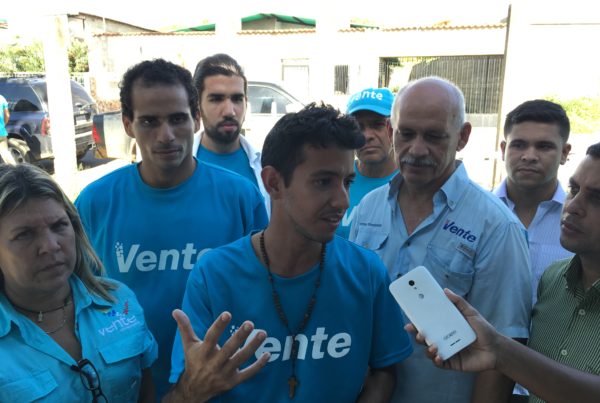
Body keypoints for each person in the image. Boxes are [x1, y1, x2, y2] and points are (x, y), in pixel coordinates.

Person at [166, 103, 414, 402]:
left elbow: (385, 371)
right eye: (323, 182)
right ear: (273, 183)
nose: (343, 201)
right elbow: (181, 392)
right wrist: (194, 389)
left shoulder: (366, 272)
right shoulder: (214, 275)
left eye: (347, 182)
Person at [75, 59, 269, 397]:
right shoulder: (95, 202)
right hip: (127, 388)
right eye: (149, 121)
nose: (166, 135)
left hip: (222, 387)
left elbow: (264, 291)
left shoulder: (240, 196)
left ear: (196, 120)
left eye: (177, 119)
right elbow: (74, 300)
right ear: (127, 124)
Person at [349, 76, 532, 402]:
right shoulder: (368, 208)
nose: (417, 149)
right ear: (391, 131)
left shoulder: (497, 227)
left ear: (463, 137)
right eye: (406, 134)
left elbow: (503, 349)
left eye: (434, 136)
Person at [0, 163, 157, 402]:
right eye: (24, 234)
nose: (50, 246)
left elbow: (146, 392)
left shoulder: (119, 301)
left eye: (59, 226)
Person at [495, 99, 574, 303]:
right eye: (519, 145)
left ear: (564, 153)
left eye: (544, 146)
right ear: (503, 149)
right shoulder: (476, 213)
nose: (529, 156)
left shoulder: (579, 224)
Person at [191, 53, 269, 213]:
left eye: (237, 99)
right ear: (197, 105)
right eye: (216, 99)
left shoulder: (265, 165)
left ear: (246, 102)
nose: (229, 111)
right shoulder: (177, 166)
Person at [336, 87, 398, 239]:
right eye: (358, 127)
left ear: (394, 128)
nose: (367, 135)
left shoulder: (410, 184)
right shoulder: (336, 180)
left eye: (377, 125)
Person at [0, 93, 15, 165]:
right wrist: (3, 125)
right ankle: (14, 168)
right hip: (2, 131)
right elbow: (7, 115)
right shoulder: (2, 98)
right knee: (5, 153)